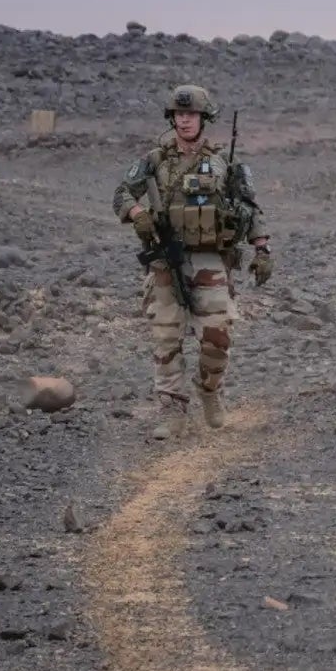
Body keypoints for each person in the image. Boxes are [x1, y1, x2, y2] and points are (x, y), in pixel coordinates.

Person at [114, 84, 270, 434]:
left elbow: (250, 207)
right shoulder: (154, 160)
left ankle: (210, 390)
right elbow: (122, 193)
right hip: (166, 260)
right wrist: (138, 212)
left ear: (204, 119)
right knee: (166, 335)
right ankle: (173, 411)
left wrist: (262, 248)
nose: (184, 121)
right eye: (179, 115)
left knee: (217, 336)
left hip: (210, 260)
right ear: (172, 118)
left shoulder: (222, 162)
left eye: (191, 115)